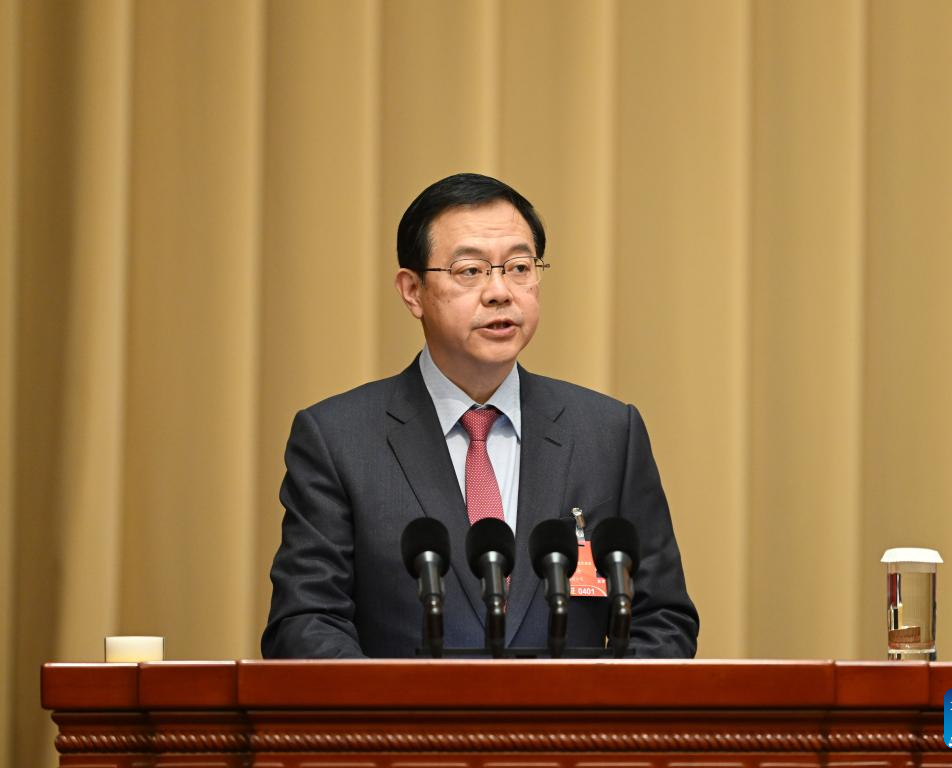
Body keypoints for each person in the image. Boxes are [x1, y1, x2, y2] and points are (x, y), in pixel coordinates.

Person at [261, 173, 699, 658]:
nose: (499, 292)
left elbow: (663, 619)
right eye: (470, 270)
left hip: (574, 711)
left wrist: (597, 705)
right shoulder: (339, 438)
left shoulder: (608, 434)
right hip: (403, 710)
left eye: (519, 267)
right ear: (412, 291)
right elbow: (306, 623)